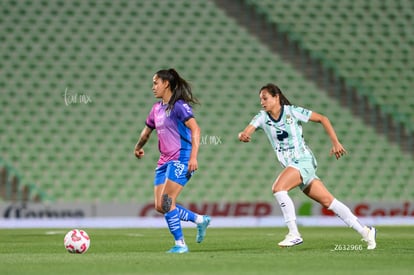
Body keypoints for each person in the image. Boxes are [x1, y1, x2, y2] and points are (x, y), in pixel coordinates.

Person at [238, 83, 376, 249]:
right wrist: (243, 135)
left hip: (303, 160)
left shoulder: (291, 111)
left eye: (265, 98)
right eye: (260, 99)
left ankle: (294, 234)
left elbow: (322, 119)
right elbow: (246, 131)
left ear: (276, 97)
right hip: (293, 166)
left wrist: (335, 142)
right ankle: (365, 231)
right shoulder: (262, 117)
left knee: (278, 189)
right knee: (329, 202)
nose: (262, 102)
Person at [134, 68, 211, 253]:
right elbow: (146, 133)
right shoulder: (156, 109)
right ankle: (199, 220)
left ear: (166, 83)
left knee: (168, 202)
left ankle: (180, 244)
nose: (153, 87)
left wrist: (193, 156)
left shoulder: (179, 106)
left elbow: (196, 129)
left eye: (155, 82)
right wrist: (138, 147)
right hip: (163, 162)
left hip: (181, 159)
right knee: (161, 206)